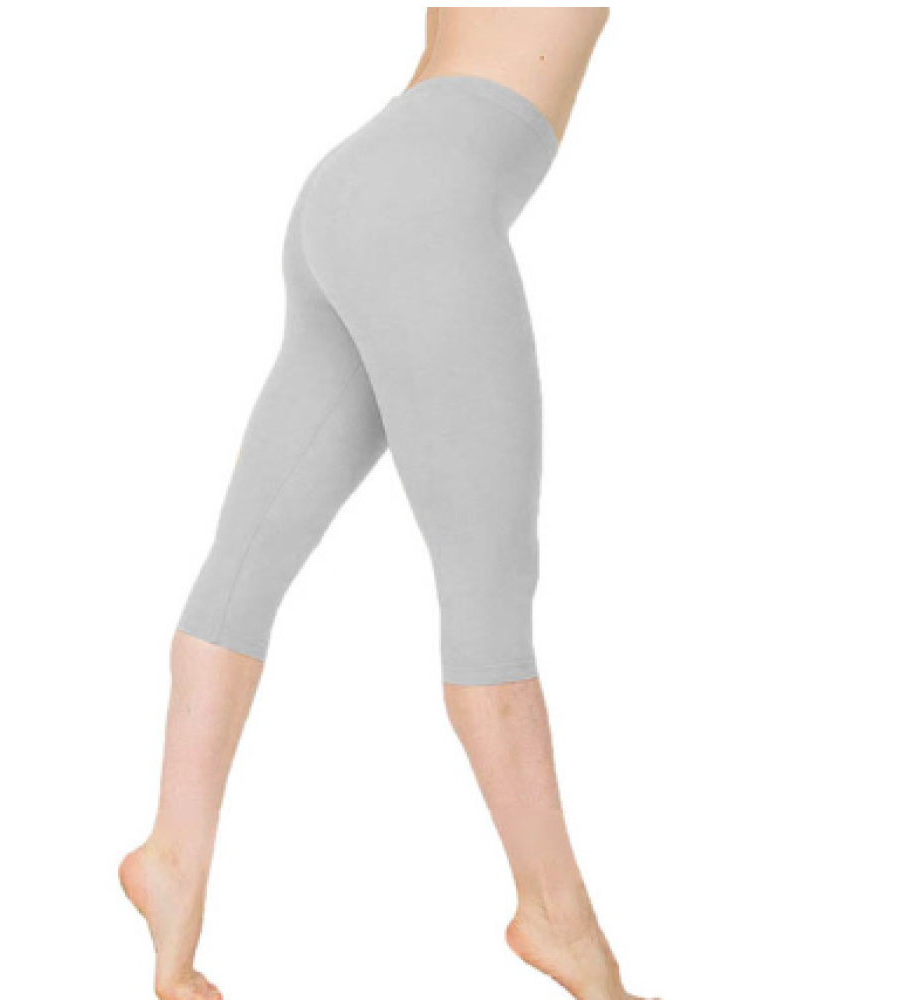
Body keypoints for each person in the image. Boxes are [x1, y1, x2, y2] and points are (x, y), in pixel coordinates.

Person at [121, 9, 654, 1000]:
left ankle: (172, 858)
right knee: (490, 594)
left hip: (356, 181)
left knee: (244, 566)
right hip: (425, 204)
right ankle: (558, 917)